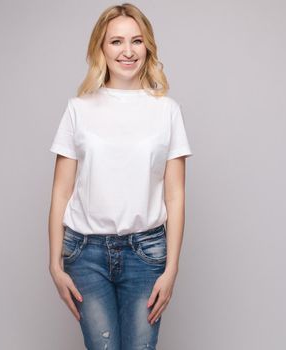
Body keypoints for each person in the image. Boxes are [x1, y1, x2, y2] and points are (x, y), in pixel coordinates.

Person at [48, 3, 193, 349]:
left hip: (146, 254)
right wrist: (54, 265)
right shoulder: (78, 109)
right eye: (116, 42)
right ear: (100, 47)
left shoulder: (167, 111)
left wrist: (171, 269)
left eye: (136, 41)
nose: (127, 51)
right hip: (86, 254)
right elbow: (60, 191)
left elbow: (175, 194)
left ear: (148, 47)